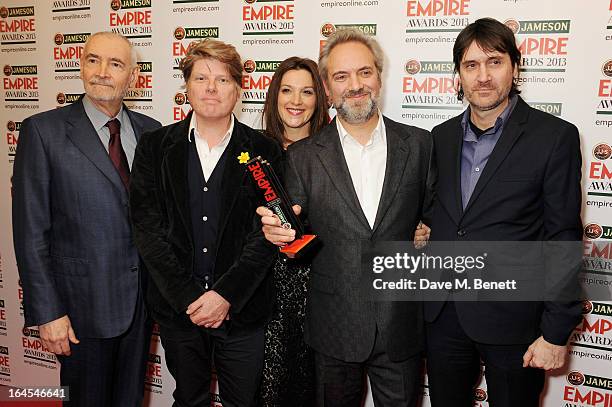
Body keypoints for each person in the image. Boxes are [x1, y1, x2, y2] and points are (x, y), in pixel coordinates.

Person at [257, 28, 433, 406]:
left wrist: (429, 233)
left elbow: (436, 215)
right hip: (334, 326)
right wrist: (279, 235)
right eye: (341, 76)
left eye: (364, 72)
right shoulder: (303, 156)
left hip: (400, 324)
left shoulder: (420, 144)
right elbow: (294, 233)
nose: (355, 85)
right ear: (327, 86)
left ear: (379, 77)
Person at [424, 18, 583, 407]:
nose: (482, 76)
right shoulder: (438, 138)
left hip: (517, 323)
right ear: (457, 75)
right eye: (470, 65)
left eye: (494, 62)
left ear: (515, 66)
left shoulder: (554, 136)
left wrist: (557, 332)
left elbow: (562, 237)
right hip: (444, 317)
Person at [129, 39, 281, 407]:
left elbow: (267, 235)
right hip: (179, 313)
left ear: (239, 88)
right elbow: (147, 231)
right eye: (201, 78)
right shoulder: (153, 146)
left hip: (243, 312)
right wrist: (191, 298)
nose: (211, 88)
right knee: (189, 399)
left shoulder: (264, 150)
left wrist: (225, 295)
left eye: (223, 80)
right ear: (187, 86)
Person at [12, 32, 160, 406]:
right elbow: (30, 233)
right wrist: (48, 313)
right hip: (78, 312)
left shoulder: (152, 133)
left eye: (115, 64)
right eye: (93, 60)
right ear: (80, 65)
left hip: (140, 308)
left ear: (134, 75)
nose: (102, 72)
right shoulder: (42, 131)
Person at [258, 57, 329, 407]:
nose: (296, 101)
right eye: (287, 90)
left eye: (307, 91)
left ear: (320, 99)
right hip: (262, 293)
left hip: (318, 292)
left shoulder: (333, 152)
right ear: (274, 96)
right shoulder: (252, 150)